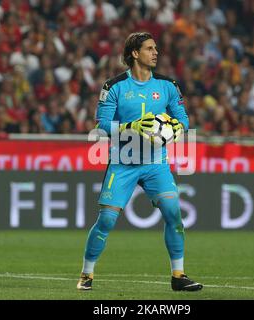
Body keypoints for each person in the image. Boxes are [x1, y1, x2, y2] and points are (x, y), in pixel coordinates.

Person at [76, 32, 203, 291]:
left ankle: (178, 275)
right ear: (135, 53)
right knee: (107, 221)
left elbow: (184, 121)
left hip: (156, 162)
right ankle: (87, 274)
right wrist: (132, 126)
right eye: (149, 48)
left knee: (174, 215)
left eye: (156, 48)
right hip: (123, 161)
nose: (155, 53)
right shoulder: (114, 87)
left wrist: (175, 129)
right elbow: (102, 127)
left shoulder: (168, 86)